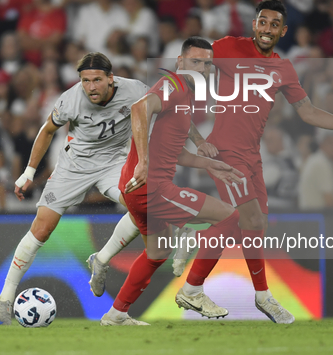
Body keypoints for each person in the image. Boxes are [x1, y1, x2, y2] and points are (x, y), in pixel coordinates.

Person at [202, 0, 333, 323]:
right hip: (225, 150)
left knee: (255, 225)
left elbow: (309, 112)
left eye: (274, 24)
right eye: (263, 21)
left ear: (283, 31)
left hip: (253, 154)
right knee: (250, 220)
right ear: (254, 24)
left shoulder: (283, 68)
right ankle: (254, 295)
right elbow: (192, 61)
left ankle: (223, 288)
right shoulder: (228, 47)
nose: (267, 28)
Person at [0, 52, 149, 325]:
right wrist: (28, 172)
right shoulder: (70, 99)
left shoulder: (135, 90)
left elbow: (165, 109)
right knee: (42, 228)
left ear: (111, 79)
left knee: (142, 210)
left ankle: (101, 259)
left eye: (97, 80)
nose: (91, 87)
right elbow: (47, 130)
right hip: (73, 167)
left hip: (114, 163)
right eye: (85, 80)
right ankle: (5, 299)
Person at [100, 37, 244, 326]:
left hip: (135, 188)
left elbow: (174, 153)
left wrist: (210, 165)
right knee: (230, 217)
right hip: (150, 188)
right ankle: (193, 289)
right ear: (180, 63)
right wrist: (143, 161)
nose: (201, 69)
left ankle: (116, 315)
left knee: (157, 252)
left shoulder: (184, 96)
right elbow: (139, 108)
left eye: (206, 64)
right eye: (195, 62)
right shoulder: (174, 85)